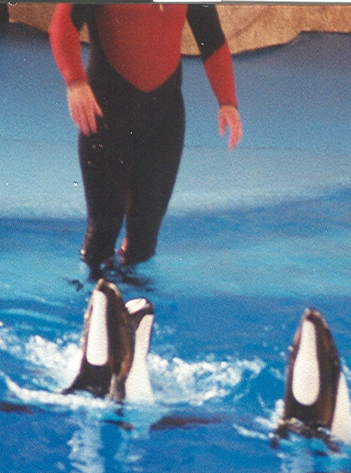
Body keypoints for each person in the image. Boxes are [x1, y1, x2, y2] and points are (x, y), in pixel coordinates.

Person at [50, 3, 242, 279]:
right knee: (104, 225)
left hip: (164, 116)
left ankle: (135, 302)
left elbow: (211, 39)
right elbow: (63, 23)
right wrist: (75, 82)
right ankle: (92, 301)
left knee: (146, 232)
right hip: (107, 111)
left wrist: (228, 102)